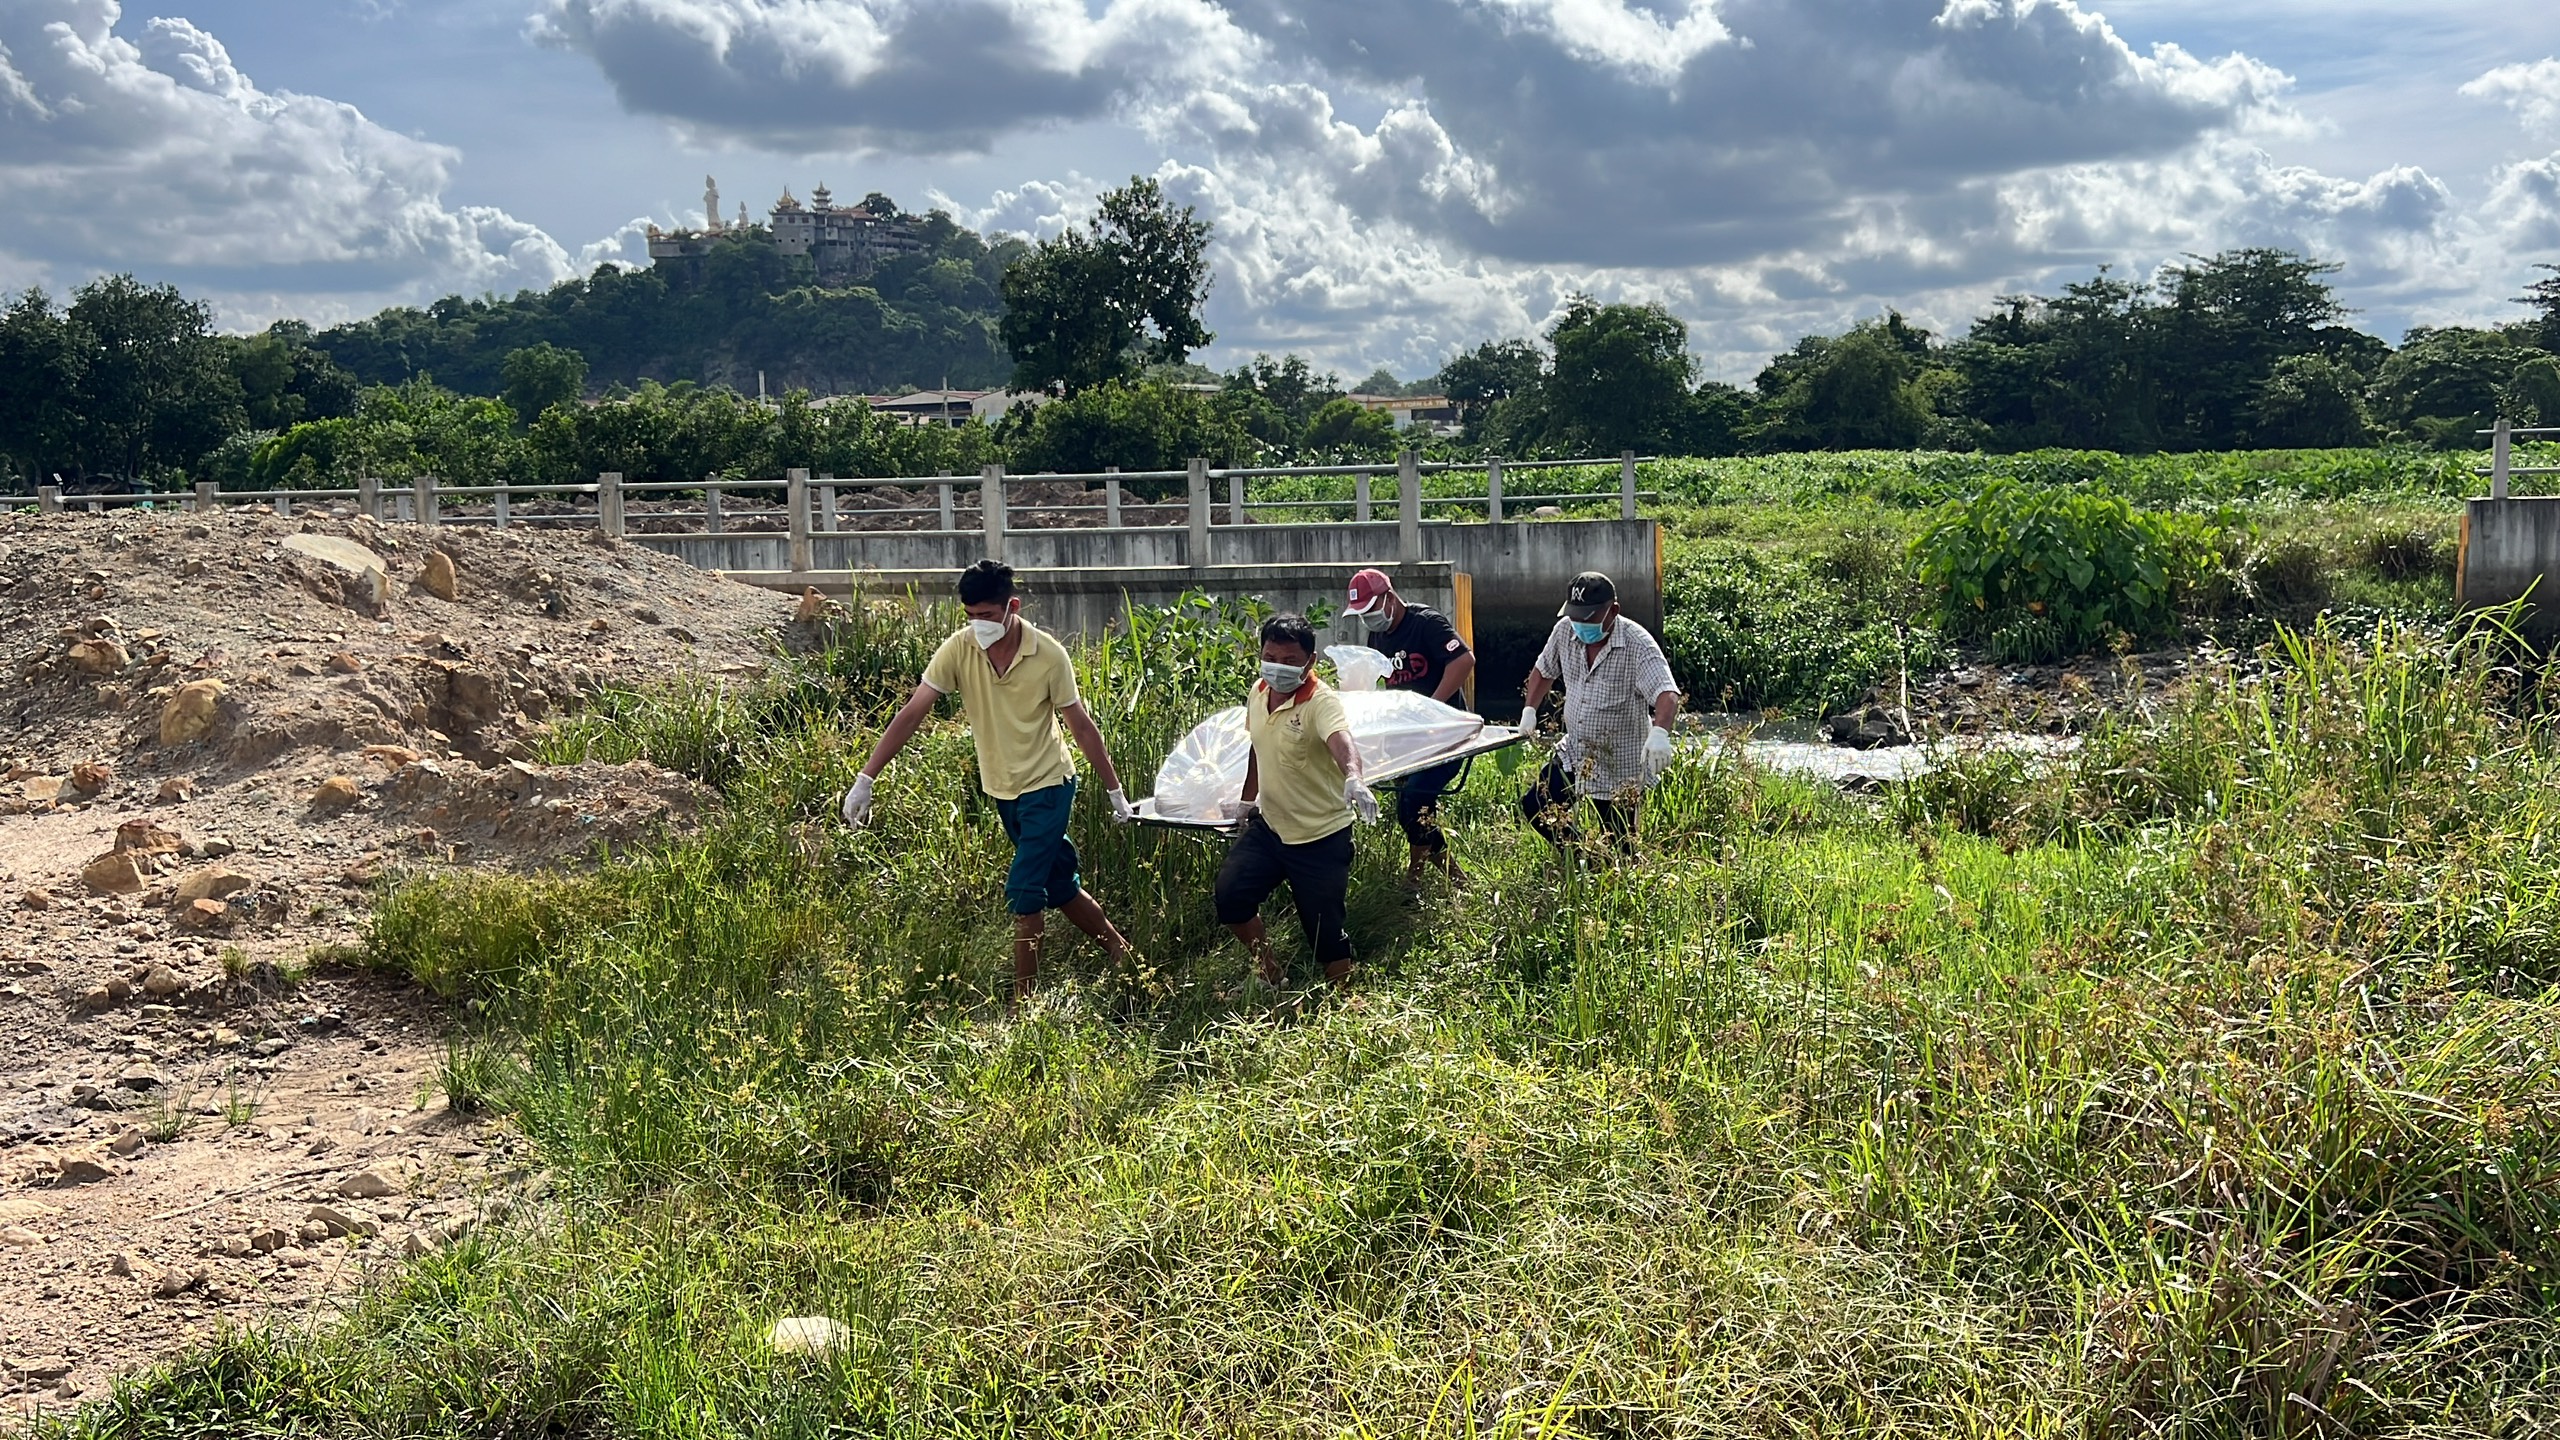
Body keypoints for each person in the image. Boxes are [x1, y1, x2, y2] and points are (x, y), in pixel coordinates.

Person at [841, 559, 1137, 1007]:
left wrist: (1115, 791)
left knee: (1024, 892)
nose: (979, 625)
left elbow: (1081, 726)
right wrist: (866, 777)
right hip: (1002, 788)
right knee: (1059, 884)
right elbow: (913, 712)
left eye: (987, 615)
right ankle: (1120, 950)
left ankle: (1024, 1003)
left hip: (1048, 784)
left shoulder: (1048, 654)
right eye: (971, 616)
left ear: (1011, 606)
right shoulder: (959, 650)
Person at [1215, 613, 1381, 991]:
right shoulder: (1258, 692)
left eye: (1290, 661)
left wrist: (1354, 775)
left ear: (1311, 662)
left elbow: (1342, 740)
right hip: (1271, 827)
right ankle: (1269, 974)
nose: (1278, 668)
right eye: (1270, 656)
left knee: (1325, 933)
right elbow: (1259, 747)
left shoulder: (1320, 702)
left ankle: (1344, 1005)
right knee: (1231, 897)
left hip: (1320, 836)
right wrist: (1246, 802)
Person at [1517, 571, 1681, 851]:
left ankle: (1612, 870)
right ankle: (1586, 860)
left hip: (1619, 763)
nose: (1580, 624)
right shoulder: (1565, 630)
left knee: (1621, 844)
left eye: (1589, 617)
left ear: (1612, 611)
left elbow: (1667, 693)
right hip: (1575, 752)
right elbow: (1544, 670)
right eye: (1575, 616)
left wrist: (1660, 733)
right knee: (1537, 805)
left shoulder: (1637, 644)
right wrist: (1530, 710)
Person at [1340, 567, 1477, 889]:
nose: (1369, 618)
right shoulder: (1378, 636)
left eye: (1372, 610)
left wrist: (1431, 710)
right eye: (1362, 614)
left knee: (1416, 798)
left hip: (1446, 732)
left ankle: (1412, 882)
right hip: (1409, 738)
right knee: (1410, 809)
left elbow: (1463, 661)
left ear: (1389, 598)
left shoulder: (1426, 623)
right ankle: (1457, 880)